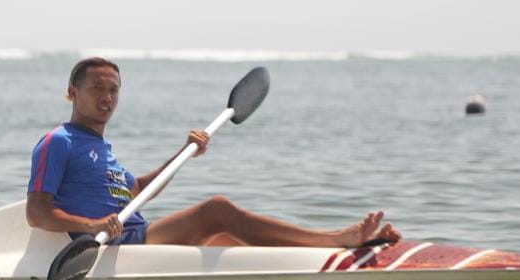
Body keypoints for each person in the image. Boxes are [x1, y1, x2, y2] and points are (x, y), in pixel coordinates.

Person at [26, 57, 401, 248]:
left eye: (114, 90)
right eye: (97, 88)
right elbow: (37, 213)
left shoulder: (101, 148)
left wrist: (184, 153)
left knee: (225, 243)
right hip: (112, 245)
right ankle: (335, 239)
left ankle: (331, 255)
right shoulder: (59, 142)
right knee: (216, 210)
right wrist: (92, 226)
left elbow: (137, 190)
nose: (107, 98)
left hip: (136, 234)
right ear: (72, 93)